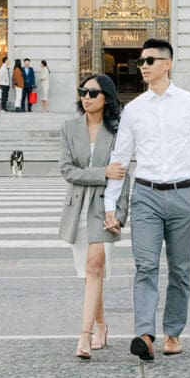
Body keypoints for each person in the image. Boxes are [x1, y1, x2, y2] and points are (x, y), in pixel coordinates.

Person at [104, 38, 190, 361]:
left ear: (168, 63)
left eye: (149, 61)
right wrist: (111, 205)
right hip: (146, 196)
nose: (143, 67)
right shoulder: (135, 109)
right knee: (145, 266)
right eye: (140, 62)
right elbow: (120, 160)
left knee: (180, 269)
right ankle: (145, 335)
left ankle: (173, 332)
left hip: (183, 195)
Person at [59, 73, 130, 360]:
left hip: (105, 206)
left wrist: (121, 215)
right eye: (83, 92)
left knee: (95, 265)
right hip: (78, 206)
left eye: (92, 93)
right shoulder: (69, 128)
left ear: (106, 98)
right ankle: (101, 324)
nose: (86, 97)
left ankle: (84, 335)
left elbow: (124, 176)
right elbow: (67, 170)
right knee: (90, 273)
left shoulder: (118, 132)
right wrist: (102, 173)